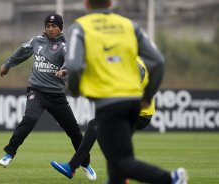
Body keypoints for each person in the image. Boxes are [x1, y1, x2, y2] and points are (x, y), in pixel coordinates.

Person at [60, 0, 188, 184]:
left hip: (110, 103)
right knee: (116, 159)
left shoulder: (80, 27)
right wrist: (148, 96)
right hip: (134, 104)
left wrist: (72, 89)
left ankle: (171, 179)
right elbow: (158, 62)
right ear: (111, 3)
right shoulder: (129, 26)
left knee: (121, 162)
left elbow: (74, 64)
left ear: (86, 4)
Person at [0, 13, 96, 181]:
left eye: (54, 26)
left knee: (73, 131)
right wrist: (8, 64)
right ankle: (9, 153)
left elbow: (69, 62)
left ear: (61, 27)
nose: (50, 29)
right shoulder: (37, 40)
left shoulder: (66, 45)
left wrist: (64, 70)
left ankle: (85, 163)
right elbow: (22, 51)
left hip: (57, 95)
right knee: (30, 118)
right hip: (36, 90)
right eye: (48, 26)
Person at [50, 58, 155, 184]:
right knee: (98, 130)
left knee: (96, 126)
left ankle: (72, 167)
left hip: (140, 115)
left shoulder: (137, 66)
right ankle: (119, 176)